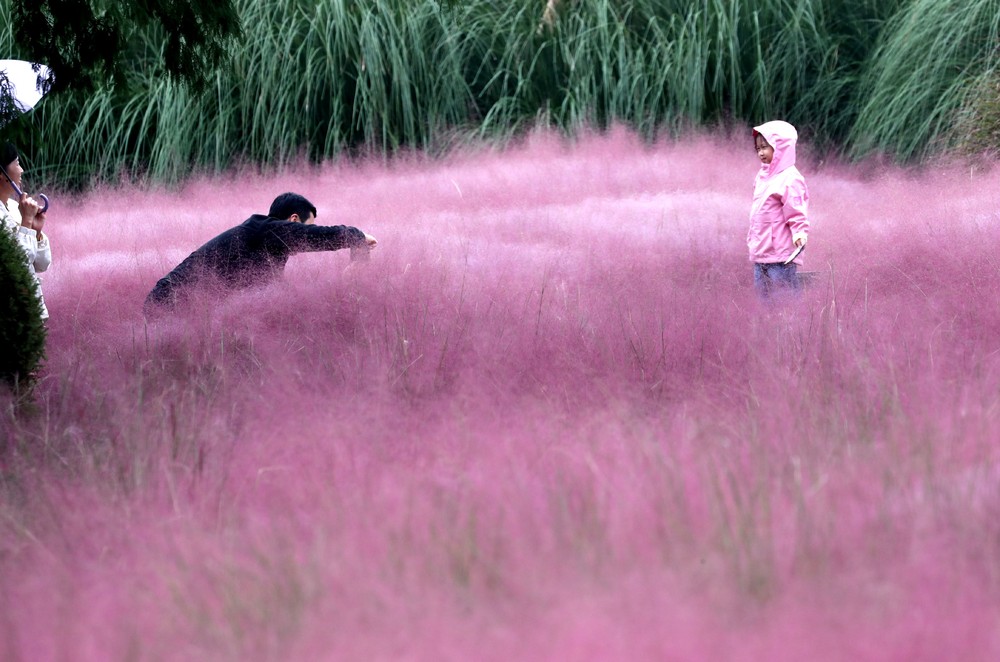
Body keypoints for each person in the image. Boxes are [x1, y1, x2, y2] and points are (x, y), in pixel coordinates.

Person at [145, 192, 378, 312]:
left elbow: (282, 295)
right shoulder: (264, 228)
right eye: (309, 225)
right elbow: (320, 236)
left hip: (172, 305)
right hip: (168, 302)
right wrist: (357, 236)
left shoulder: (270, 251)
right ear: (294, 220)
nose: (308, 232)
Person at [746, 120, 809, 301]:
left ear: (781, 147)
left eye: (765, 147)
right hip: (761, 251)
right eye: (757, 148)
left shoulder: (790, 179)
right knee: (763, 299)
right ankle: (768, 327)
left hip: (781, 255)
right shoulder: (763, 176)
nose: (760, 152)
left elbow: (797, 211)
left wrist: (799, 233)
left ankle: (791, 327)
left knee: (784, 299)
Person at [0, 142, 51, 319]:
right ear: (2, 173)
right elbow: (16, 266)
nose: (21, 170)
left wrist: (36, 232)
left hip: (32, 312)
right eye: (17, 163)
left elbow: (42, 264)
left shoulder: (15, 207)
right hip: (11, 318)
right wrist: (26, 222)